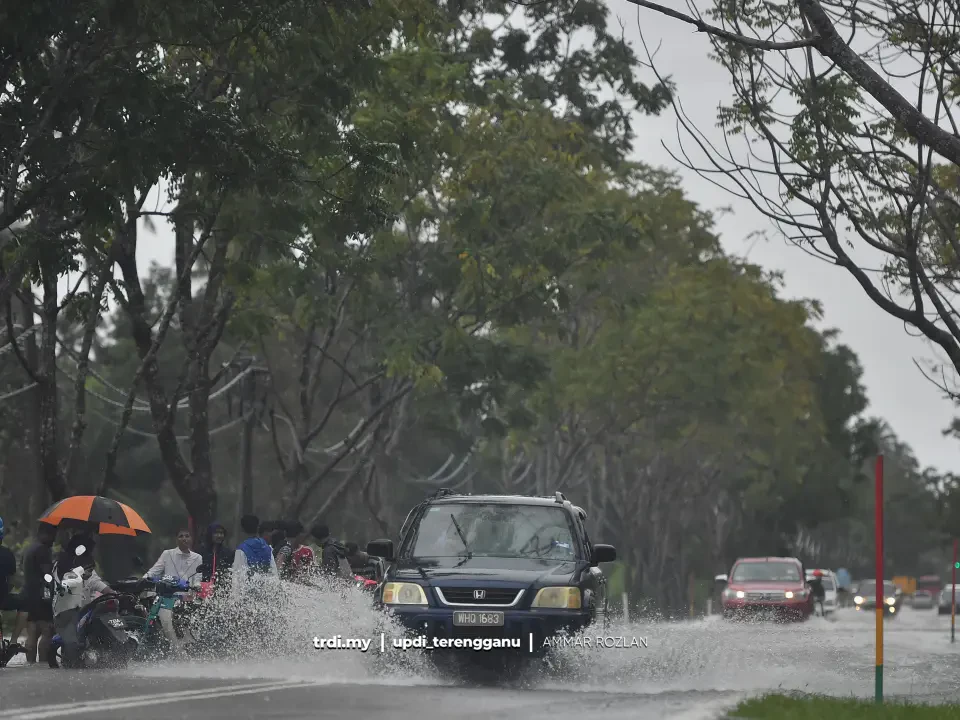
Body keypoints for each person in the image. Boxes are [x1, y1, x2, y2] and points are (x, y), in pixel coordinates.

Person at [21, 522, 56, 664]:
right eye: (53, 535)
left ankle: (30, 666)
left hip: (28, 595)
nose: (54, 539)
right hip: (42, 597)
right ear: (44, 534)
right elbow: (47, 575)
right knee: (47, 632)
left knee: (32, 634)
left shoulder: (29, 549)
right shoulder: (43, 550)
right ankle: (42, 667)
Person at [0, 516, 27, 651]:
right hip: (3, 598)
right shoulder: (7, 554)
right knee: (25, 605)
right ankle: (13, 641)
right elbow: (11, 580)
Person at [232, 515, 278, 592]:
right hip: (264, 593)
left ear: (242, 529)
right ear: (257, 528)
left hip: (248, 595)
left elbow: (238, 578)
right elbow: (274, 573)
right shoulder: (267, 548)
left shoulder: (242, 549)